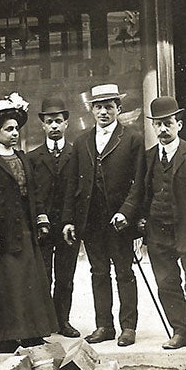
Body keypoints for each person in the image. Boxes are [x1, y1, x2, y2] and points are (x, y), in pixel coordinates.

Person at [0, 97, 58, 349]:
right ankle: (6, 336)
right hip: (2, 235)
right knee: (6, 285)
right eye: (8, 129)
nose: (14, 133)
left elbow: (34, 192)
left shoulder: (23, 158)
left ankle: (32, 332)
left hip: (25, 231)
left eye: (16, 129)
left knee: (29, 283)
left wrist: (41, 221)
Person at [61, 83, 145, 346]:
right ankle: (104, 326)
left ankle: (128, 327)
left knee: (124, 272)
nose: (104, 112)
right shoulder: (82, 141)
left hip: (119, 221)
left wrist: (126, 213)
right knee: (98, 272)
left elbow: (139, 183)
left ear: (118, 109)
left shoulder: (132, 139)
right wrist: (69, 219)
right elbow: (72, 184)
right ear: (92, 110)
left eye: (109, 106)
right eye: (98, 107)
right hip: (91, 220)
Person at [136, 97, 186, 354]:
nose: (162, 129)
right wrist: (137, 226)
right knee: (166, 285)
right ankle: (180, 331)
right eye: (158, 124)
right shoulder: (148, 158)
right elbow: (140, 194)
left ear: (179, 125)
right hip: (158, 234)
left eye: (168, 123)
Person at [27, 97, 81, 338]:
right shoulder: (32, 157)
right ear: (43, 126)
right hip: (43, 226)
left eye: (59, 121)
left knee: (65, 276)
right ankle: (45, 322)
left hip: (69, 225)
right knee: (43, 276)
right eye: (50, 122)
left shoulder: (77, 154)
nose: (55, 126)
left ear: (66, 123)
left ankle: (63, 321)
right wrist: (39, 220)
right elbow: (30, 194)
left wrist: (71, 219)